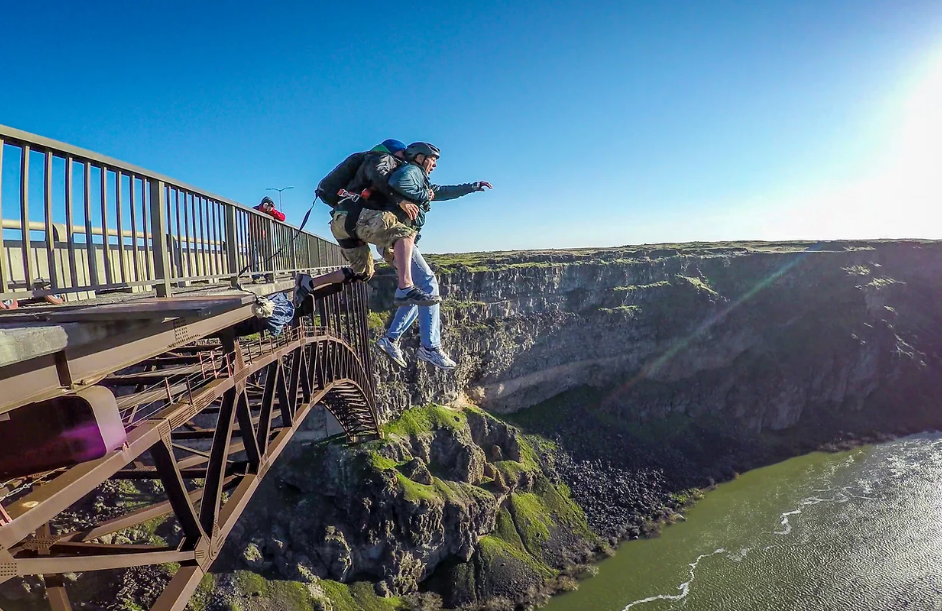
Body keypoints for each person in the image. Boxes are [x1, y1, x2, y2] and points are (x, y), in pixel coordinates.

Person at [375, 142, 491, 370]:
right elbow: (397, 182)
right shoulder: (411, 171)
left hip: (396, 242)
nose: (435, 165)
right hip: (398, 239)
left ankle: (390, 339)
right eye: (433, 160)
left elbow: (444, 192)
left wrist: (472, 186)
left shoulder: (419, 178)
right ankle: (430, 347)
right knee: (429, 284)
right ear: (420, 158)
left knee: (417, 293)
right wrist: (424, 194)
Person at [325, 140, 434, 307]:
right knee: (404, 234)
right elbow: (378, 174)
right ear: (395, 151)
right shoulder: (382, 158)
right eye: (402, 154)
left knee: (362, 272)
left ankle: (308, 283)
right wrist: (400, 200)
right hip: (358, 216)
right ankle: (406, 287)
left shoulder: (365, 164)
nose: (404, 159)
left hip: (340, 221)